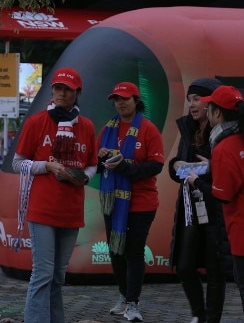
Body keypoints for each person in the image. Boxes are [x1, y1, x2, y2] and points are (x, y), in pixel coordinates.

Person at [12, 67, 97, 323]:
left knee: (58, 277)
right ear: (52, 90)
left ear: (77, 93)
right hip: (42, 209)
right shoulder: (37, 122)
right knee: (43, 274)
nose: (61, 93)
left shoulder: (87, 126)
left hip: (71, 211)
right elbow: (18, 163)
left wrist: (84, 177)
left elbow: (92, 164)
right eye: (57, 88)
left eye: (67, 89)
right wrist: (47, 166)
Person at [96, 81, 164, 322]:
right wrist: (101, 157)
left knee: (134, 252)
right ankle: (124, 297)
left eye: (125, 98)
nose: (120, 103)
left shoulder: (148, 129)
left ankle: (133, 303)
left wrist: (125, 167)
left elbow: (156, 165)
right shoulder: (107, 129)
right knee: (116, 251)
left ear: (136, 101)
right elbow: (95, 165)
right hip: (112, 200)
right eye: (116, 99)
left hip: (141, 202)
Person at [168, 78, 229, 323]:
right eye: (189, 100)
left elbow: (231, 169)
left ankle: (211, 319)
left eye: (197, 100)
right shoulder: (187, 129)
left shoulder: (226, 132)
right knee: (184, 265)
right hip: (190, 207)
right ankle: (199, 314)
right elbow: (175, 170)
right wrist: (177, 165)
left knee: (215, 271)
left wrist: (210, 168)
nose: (192, 105)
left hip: (216, 208)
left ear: (211, 103)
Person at [198, 85, 244, 314]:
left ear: (218, 113)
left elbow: (222, 194)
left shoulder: (224, 146)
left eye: (209, 107)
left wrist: (196, 181)